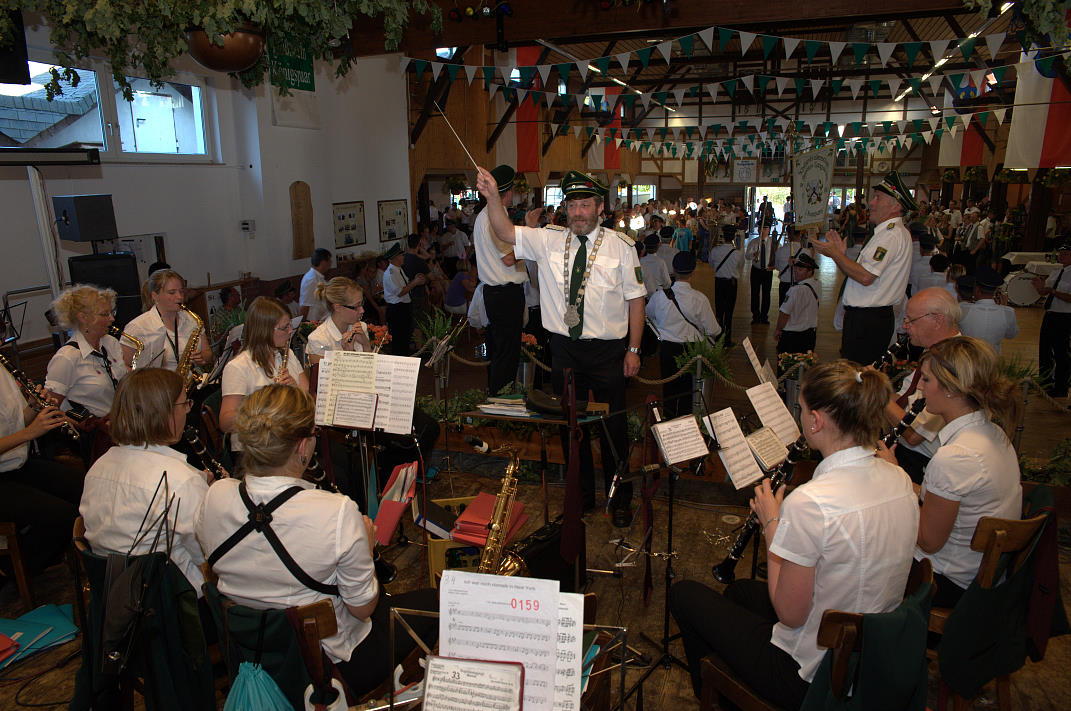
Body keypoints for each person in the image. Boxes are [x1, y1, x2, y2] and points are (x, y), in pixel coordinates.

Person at [669, 361, 918, 708]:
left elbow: (790, 614)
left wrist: (772, 523)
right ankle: (730, 683)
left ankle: (720, 699)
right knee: (740, 592)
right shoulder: (900, 479)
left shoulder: (811, 502)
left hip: (813, 677)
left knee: (684, 595)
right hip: (871, 649)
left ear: (816, 421)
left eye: (800, 410)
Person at [195, 385, 439, 698]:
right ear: (302, 446)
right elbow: (362, 609)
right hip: (326, 666)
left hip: (251, 654)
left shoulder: (214, 495)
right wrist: (365, 550)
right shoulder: (336, 511)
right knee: (435, 603)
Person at [475, 167, 645, 526]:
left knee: (614, 429)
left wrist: (633, 350)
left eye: (586, 205)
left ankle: (620, 498)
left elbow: (636, 301)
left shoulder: (622, 247)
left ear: (600, 208)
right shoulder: (548, 239)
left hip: (608, 352)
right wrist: (492, 198)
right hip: (565, 350)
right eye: (572, 205)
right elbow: (505, 231)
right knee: (571, 430)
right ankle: (580, 497)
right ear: (565, 208)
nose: (578, 212)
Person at [879, 337, 1022, 608]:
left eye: (926, 380)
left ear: (952, 389)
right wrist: (899, 473)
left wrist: (894, 480)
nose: (919, 387)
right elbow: (945, 501)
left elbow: (927, 541)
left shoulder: (956, 457)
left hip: (946, 582)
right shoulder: (994, 432)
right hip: (978, 571)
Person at [80, 368, 208, 592]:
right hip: (172, 597)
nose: (188, 410)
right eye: (184, 404)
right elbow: (206, 554)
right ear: (163, 414)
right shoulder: (181, 480)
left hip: (113, 591)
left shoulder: (98, 467)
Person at [814, 171, 914, 365]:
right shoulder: (888, 233)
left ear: (896, 206)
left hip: (869, 321)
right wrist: (841, 256)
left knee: (859, 374)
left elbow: (866, 277)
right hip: (868, 318)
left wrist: (835, 254)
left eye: (877, 198)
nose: (871, 203)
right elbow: (860, 275)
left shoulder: (890, 235)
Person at [0, 366, 82, 576]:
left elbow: (12, 424)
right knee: (64, 516)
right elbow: (23, 433)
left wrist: (33, 408)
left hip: (14, 464)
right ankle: (11, 571)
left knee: (85, 486)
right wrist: (30, 433)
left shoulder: (2, 369)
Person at [886, 287, 962, 484]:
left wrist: (876, 395)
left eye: (911, 320)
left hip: (923, 463)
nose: (905, 326)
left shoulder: (952, 363)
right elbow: (903, 398)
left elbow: (914, 435)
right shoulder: (932, 352)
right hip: (904, 448)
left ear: (937, 320)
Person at [219, 297, 308, 452]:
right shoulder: (238, 367)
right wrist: (267, 405)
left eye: (290, 325)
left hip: (286, 440)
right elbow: (225, 422)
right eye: (284, 327)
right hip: (255, 450)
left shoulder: (288, 354)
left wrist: (295, 390)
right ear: (264, 330)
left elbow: (308, 396)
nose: (290, 331)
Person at [474, 165, 529, 396]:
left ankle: (497, 399)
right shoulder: (495, 217)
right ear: (507, 193)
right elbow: (508, 258)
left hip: (495, 293)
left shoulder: (484, 215)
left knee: (499, 353)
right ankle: (501, 403)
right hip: (505, 294)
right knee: (507, 355)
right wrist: (531, 242)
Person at [646, 252, 720, 418]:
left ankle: (669, 422)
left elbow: (648, 315)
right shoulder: (699, 299)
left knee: (668, 391)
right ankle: (687, 424)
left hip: (667, 349)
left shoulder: (659, 296)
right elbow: (713, 330)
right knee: (688, 393)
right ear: (692, 272)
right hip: (691, 351)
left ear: (673, 270)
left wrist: (662, 328)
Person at [45, 284, 130, 420]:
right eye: (105, 314)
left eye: (111, 313)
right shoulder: (66, 357)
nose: (112, 319)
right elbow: (51, 410)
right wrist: (89, 425)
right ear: (83, 317)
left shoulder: (111, 343)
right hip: (94, 429)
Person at [123, 269, 214, 372]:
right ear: (155, 296)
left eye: (181, 291)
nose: (180, 297)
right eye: (172, 292)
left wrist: (202, 357)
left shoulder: (192, 319)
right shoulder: (137, 327)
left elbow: (208, 354)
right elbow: (124, 366)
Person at [1033, 242, 1071, 398]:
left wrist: (1052, 291)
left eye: (1066, 254)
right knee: (1045, 349)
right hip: (1050, 314)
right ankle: (1045, 382)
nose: (1062, 256)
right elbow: (1044, 292)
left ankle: (1061, 386)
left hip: (1065, 316)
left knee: (1061, 352)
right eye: (1061, 254)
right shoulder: (1056, 272)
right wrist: (1039, 287)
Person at [306, 277, 371, 365]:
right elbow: (322, 374)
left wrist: (366, 345)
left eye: (362, 303)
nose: (362, 310)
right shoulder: (318, 339)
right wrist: (348, 355)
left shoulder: (361, 327)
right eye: (356, 306)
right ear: (338, 307)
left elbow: (369, 368)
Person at [959, 267, 1018, 353]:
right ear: (995, 290)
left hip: (968, 356)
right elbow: (1011, 335)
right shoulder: (1008, 312)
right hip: (993, 357)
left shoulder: (963, 308)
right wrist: (1004, 308)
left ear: (977, 290)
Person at [774, 253, 820, 363]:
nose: (796, 271)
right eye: (795, 268)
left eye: (800, 269)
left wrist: (778, 329)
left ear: (809, 272)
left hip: (792, 337)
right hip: (810, 335)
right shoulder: (818, 284)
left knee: (786, 369)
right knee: (804, 368)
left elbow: (784, 314)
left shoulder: (795, 290)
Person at [382, 242, 426, 356]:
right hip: (396, 309)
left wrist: (415, 281)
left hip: (404, 307)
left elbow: (406, 284)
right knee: (399, 338)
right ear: (396, 257)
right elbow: (400, 292)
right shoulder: (390, 273)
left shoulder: (399, 269)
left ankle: (405, 356)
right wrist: (415, 283)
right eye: (402, 255)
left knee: (405, 336)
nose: (404, 257)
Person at [708, 231, 742, 347]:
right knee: (729, 311)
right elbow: (740, 266)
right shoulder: (737, 253)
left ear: (723, 236)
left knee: (719, 310)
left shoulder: (715, 250)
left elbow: (711, 264)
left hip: (719, 282)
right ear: (733, 238)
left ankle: (718, 336)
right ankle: (727, 339)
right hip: (731, 283)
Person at [744, 228, 776, 324]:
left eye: (765, 229)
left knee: (766, 294)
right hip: (756, 270)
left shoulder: (773, 242)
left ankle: (764, 316)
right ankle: (755, 316)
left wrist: (775, 265)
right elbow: (747, 256)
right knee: (755, 293)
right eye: (760, 229)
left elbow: (777, 255)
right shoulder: (754, 242)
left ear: (769, 230)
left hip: (767, 271)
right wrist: (754, 254)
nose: (762, 231)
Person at [773, 227, 812, 306]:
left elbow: (777, 267)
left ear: (788, 235)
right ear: (800, 235)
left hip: (784, 285)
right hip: (800, 285)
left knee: (784, 308)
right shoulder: (807, 252)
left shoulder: (780, 250)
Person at [300, 248, 333, 322]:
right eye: (329, 261)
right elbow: (305, 305)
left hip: (322, 319)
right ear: (323, 262)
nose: (330, 264)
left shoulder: (318, 277)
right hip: (313, 321)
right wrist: (302, 325)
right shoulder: (311, 280)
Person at [640, 234, 672, 298]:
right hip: (658, 292)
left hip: (644, 294)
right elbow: (667, 282)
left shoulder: (641, 261)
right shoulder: (661, 262)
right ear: (657, 247)